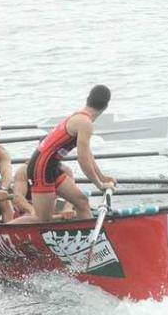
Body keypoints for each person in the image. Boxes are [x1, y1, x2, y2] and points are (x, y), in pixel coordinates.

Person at [12, 85, 116, 223]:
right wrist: (99, 185)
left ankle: (87, 239)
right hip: (41, 167)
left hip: (52, 166)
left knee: (82, 202)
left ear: (88, 99)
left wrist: (102, 177)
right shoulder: (85, 123)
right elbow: (82, 160)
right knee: (42, 219)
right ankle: (0, 234)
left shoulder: (79, 116)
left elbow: (88, 155)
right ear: (105, 106)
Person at [10, 163, 76, 221]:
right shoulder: (24, 170)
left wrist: (68, 208)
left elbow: (73, 195)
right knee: (28, 217)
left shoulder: (65, 170)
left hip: (51, 211)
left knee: (77, 211)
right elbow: (18, 197)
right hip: (27, 212)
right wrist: (32, 211)